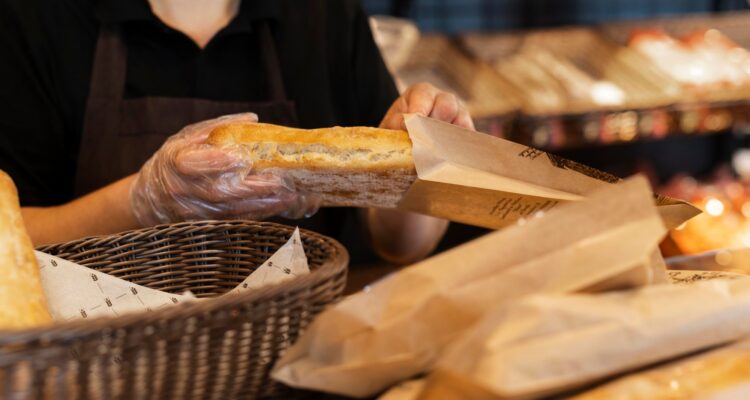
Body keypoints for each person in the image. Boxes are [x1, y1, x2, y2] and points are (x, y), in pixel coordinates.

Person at [0, 0, 473, 264]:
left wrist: (419, 166)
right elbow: (12, 241)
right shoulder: (37, 21)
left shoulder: (323, 17)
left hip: (295, 353)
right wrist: (145, 201)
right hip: (98, 363)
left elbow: (398, 243)